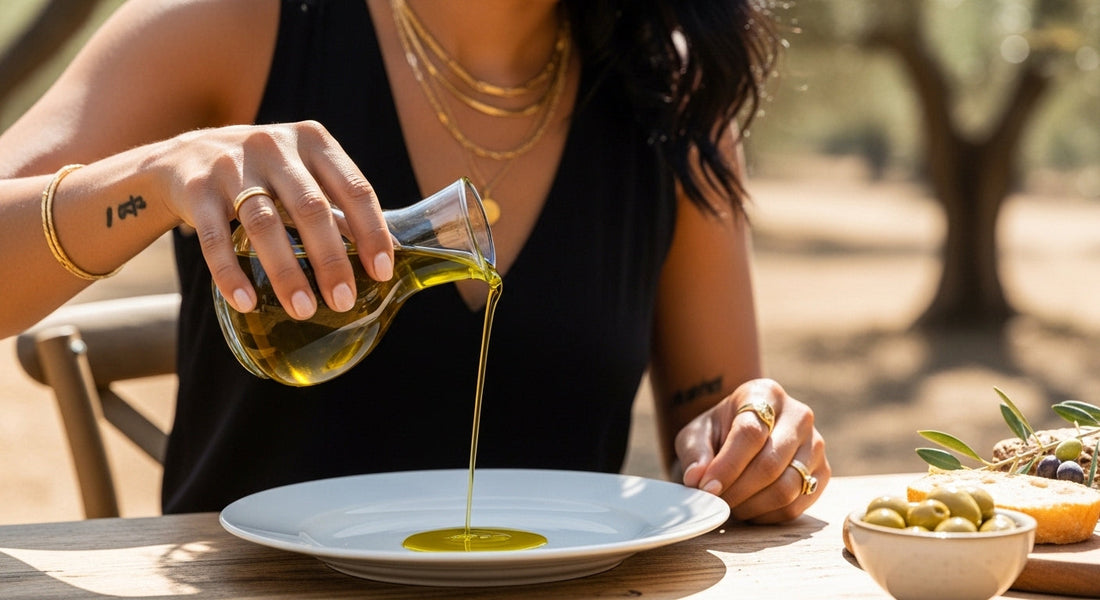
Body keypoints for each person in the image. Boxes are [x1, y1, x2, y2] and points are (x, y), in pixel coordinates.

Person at [0, 0, 829, 523]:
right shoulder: (231, 27)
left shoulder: (674, 94)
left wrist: (750, 443)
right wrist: (155, 176)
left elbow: (716, 425)